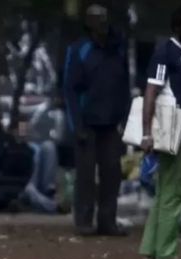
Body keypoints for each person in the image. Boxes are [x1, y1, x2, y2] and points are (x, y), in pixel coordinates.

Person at [139, 5, 181, 259]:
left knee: (164, 192)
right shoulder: (167, 53)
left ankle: (149, 254)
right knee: (172, 195)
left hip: (177, 129)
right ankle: (166, 255)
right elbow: (151, 92)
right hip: (172, 130)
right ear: (179, 26)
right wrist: (145, 133)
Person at [64, 4, 130, 236]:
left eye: (103, 18)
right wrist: (77, 126)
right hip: (87, 122)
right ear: (88, 24)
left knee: (112, 173)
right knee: (85, 175)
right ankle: (83, 221)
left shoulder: (118, 48)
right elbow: (69, 90)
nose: (101, 23)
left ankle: (107, 221)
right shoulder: (79, 50)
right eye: (96, 19)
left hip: (111, 122)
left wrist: (125, 117)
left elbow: (124, 85)